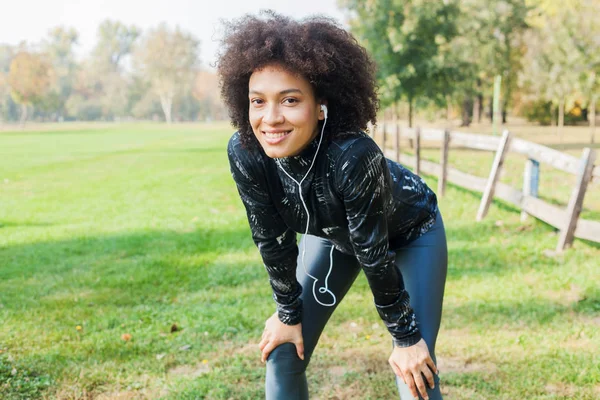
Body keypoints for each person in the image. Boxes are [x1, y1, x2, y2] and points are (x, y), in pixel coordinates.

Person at [217, 10, 448, 400]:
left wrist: (406, 337)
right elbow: (270, 238)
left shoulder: (353, 155)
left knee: (411, 369)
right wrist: (288, 313)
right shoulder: (246, 151)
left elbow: (374, 255)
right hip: (335, 238)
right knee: (284, 352)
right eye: (258, 101)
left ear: (321, 104)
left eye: (289, 100)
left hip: (410, 235)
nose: (270, 119)